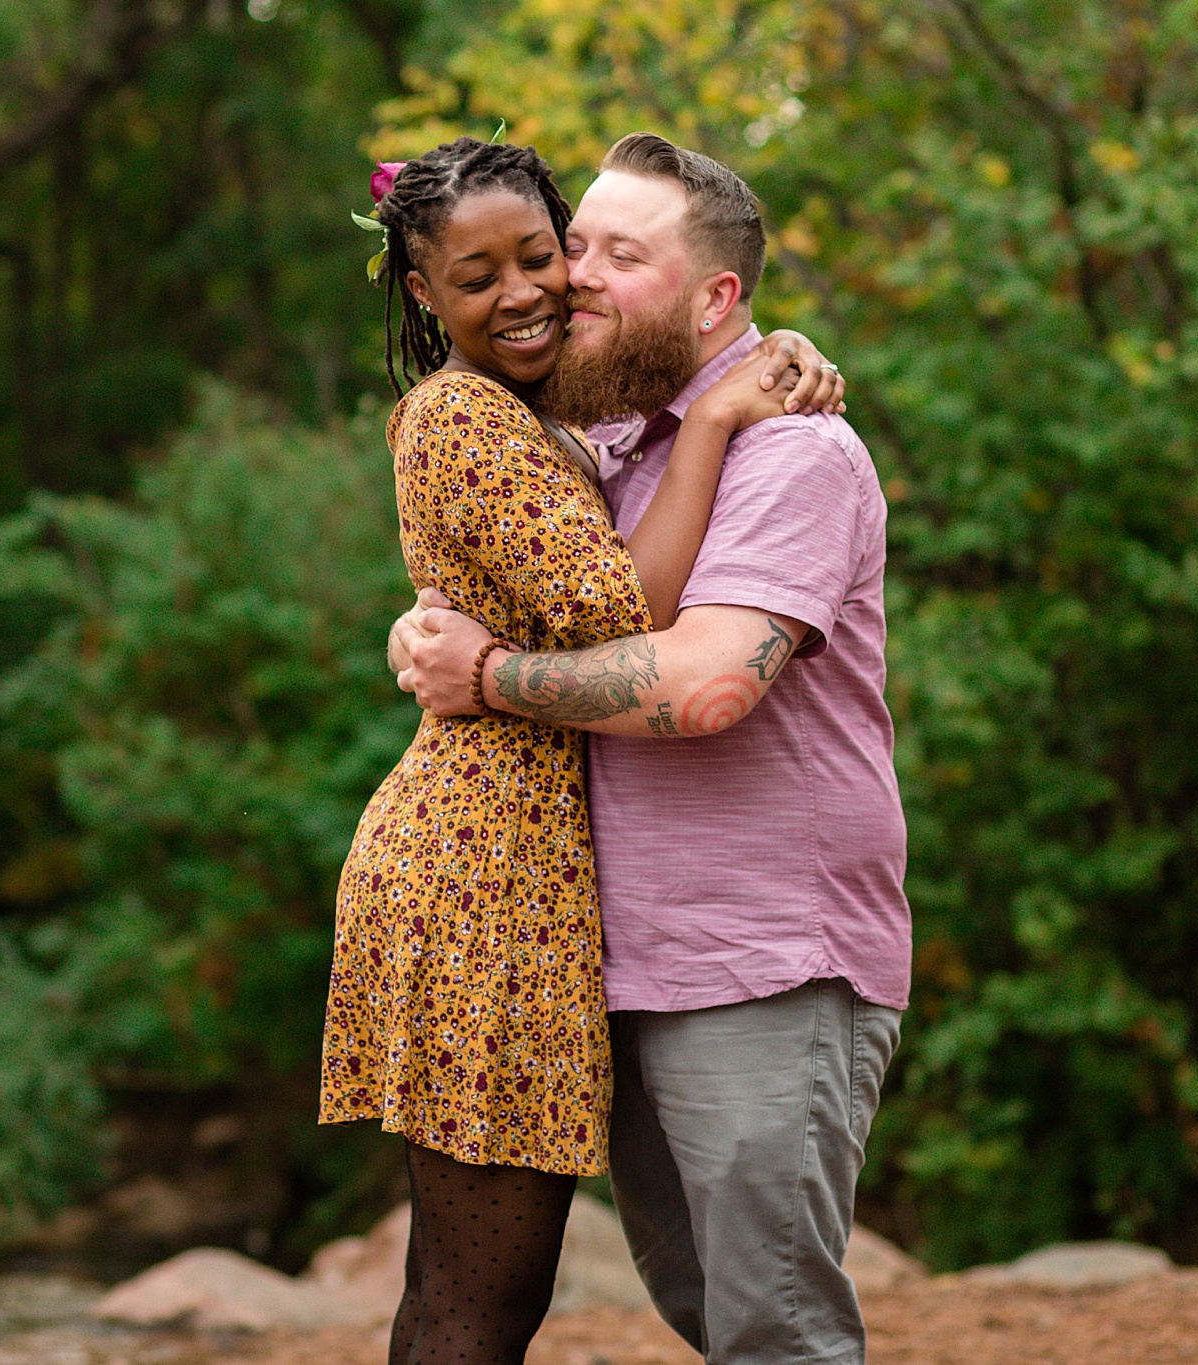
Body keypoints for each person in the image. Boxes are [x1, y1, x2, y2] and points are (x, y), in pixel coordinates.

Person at [319, 136, 847, 1365]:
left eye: (543, 256)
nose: (528, 291)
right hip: (480, 870)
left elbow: (678, 350)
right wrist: (720, 412)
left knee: (474, 1289)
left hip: (523, 870)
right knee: (477, 1298)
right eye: (474, 274)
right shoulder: (463, 419)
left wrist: (777, 353)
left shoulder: (555, 412)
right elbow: (623, 617)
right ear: (418, 290)